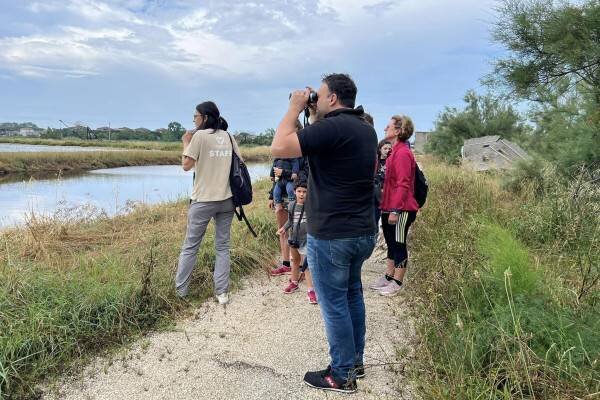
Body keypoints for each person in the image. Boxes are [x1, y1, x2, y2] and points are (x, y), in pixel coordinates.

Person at [271, 73, 377, 393]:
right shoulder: (364, 128)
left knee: (333, 303)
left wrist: (294, 107)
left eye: (319, 95)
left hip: (333, 234)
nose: (313, 101)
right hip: (361, 231)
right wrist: (312, 113)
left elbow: (280, 145)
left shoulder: (332, 127)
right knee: (352, 295)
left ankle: (341, 374)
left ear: (332, 99)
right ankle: (354, 361)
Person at [175, 101, 241, 305]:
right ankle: (222, 292)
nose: (193, 120)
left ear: (204, 117)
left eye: (195, 116)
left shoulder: (200, 136)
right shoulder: (229, 137)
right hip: (227, 200)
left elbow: (186, 165)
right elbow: (240, 163)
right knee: (222, 246)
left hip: (203, 200)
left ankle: (181, 292)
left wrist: (186, 142)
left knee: (190, 246)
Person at [370, 115, 419, 297]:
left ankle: (397, 282)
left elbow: (403, 184)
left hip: (402, 208)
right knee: (391, 242)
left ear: (398, 131)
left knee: (399, 243)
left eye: (389, 126)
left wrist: (396, 209)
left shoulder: (404, 154)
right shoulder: (394, 152)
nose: (384, 128)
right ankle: (389, 277)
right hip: (389, 206)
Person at [277, 181, 317, 304]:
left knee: (307, 265)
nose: (302, 194)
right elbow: (290, 221)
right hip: (294, 238)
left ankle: (311, 290)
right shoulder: (291, 205)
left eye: (305, 192)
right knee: (295, 261)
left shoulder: (311, 206)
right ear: (294, 192)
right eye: (299, 191)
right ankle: (294, 282)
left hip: (307, 239)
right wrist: (284, 228)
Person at [373, 140, 392, 228]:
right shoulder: (375, 161)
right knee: (374, 220)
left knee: (386, 223)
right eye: (385, 148)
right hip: (376, 196)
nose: (387, 150)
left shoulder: (392, 161)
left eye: (389, 148)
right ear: (380, 149)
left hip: (388, 195)